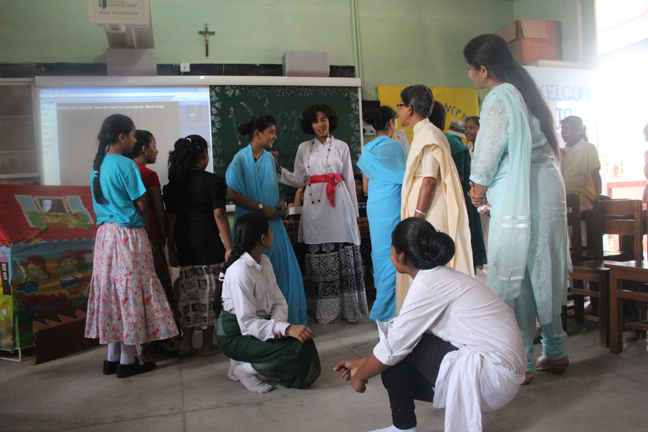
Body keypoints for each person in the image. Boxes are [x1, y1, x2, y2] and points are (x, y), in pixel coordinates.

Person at [334, 218, 525, 432]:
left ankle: (402, 427)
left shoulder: (428, 285)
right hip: (503, 375)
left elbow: (394, 345)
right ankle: (403, 426)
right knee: (397, 341)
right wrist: (361, 363)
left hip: (493, 379)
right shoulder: (439, 276)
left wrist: (360, 376)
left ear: (400, 256)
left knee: (392, 344)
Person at [464, 34, 572, 384]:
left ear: (483, 69)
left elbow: (487, 151)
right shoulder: (526, 90)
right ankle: (555, 350)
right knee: (545, 266)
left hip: (521, 190)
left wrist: (478, 190)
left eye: (469, 68)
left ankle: (523, 361)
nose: (469, 75)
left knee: (517, 272)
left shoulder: (499, 97)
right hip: (547, 187)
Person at [85, 114, 178, 379]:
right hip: (128, 235)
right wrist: (145, 234)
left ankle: (112, 357)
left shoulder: (97, 166)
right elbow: (142, 206)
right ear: (121, 136)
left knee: (113, 293)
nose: (136, 140)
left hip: (105, 237)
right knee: (130, 293)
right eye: (133, 134)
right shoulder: (126, 165)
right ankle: (127, 360)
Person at [276, 103, 368, 324]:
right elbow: (299, 178)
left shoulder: (341, 146)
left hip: (339, 205)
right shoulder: (304, 148)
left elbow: (348, 180)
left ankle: (348, 309)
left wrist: (354, 217)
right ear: (310, 124)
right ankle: (324, 310)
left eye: (324, 119)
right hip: (314, 204)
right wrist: (279, 170)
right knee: (317, 254)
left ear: (330, 121)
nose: (320, 124)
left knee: (342, 250)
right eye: (316, 120)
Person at [216, 212, 321, 393]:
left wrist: (279, 326)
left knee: (302, 341)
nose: (273, 235)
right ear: (263, 238)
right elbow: (247, 324)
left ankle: (246, 360)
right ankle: (245, 370)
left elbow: (278, 302)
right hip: (236, 335)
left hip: (258, 326)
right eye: (271, 231)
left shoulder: (264, 261)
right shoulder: (240, 272)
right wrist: (285, 329)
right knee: (294, 348)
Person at [396, 85, 474, 314]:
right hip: (424, 211)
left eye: (400, 106)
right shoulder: (424, 133)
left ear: (410, 108)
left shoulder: (429, 135)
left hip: (428, 213)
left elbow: (429, 181)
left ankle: (432, 320)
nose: (399, 111)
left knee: (428, 271)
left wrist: (417, 219)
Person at [226, 115, 308, 325]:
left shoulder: (270, 159)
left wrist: (280, 203)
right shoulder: (240, 159)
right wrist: (263, 208)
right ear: (258, 133)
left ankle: (286, 320)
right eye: (271, 132)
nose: (275, 136)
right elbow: (232, 194)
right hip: (251, 225)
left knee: (283, 271)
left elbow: (271, 189)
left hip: (273, 226)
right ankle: (259, 323)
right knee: (253, 272)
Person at [164, 135, 233, 356]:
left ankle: (186, 341)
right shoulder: (211, 181)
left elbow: (171, 220)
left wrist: (171, 247)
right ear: (204, 154)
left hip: (185, 245)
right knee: (211, 292)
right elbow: (219, 215)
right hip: (208, 244)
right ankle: (206, 344)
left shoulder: (173, 185)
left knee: (190, 293)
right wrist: (229, 246)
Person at [126, 129, 180, 355]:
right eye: (154, 146)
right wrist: (166, 240)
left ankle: (142, 343)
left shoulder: (123, 170)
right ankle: (164, 342)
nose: (157, 150)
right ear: (144, 149)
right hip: (152, 240)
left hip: (130, 243)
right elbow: (159, 212)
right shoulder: (148, 175)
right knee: (160, 291)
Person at [357, 106, 406, 324]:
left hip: (375, 206)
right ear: (390, 123)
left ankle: (384, 306)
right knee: (394, 251)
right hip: (391, 203)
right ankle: (387, 311)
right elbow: (407, 178)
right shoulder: (394, 147)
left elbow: (366, 187)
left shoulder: (367, 149)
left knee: (380, 253)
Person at [429, 102, 487, 270]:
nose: (468, 131)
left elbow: (457, 178)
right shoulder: (440, 140)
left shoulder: (452, 142)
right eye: (466, 128)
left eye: (472, 127)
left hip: (464, 201)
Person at [560, 115, 601, 210]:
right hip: (565, 201)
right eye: (562, 128)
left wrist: (598, 194)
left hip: (583, 201)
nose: (564, 132)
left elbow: (595, 173)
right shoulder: (562, 152)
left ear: (578, 130)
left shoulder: (588, 148)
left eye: (568, 129)